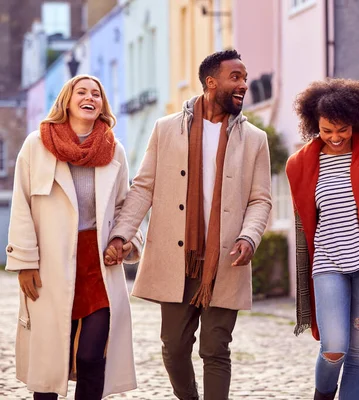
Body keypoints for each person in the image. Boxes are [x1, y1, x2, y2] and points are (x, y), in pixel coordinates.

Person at [103, 49, 272, 400]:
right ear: (212, 83)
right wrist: (122, 234)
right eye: (235, 77)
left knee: (216, 348)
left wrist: (249, 236)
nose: (243, 85)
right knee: (174, 347)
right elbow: (144, 186)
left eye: (244, 77)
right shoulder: (166, 129)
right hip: (178, 259)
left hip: (225, 259)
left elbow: (261, 200)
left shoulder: (255, 139)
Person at [5, 74, 142, 399]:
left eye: (96, 93)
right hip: (50, 266)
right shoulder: (36, 145)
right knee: (52, 358)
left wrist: (123, 241)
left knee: (92, 356)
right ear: (67, 100)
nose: (90, 97)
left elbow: (126, 206)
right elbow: (22, 204)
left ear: (102, 105)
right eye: (82, 91)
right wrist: (25, 261)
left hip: (98, 266)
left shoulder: (114, 149)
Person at [286, 78, 359, 400]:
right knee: (335, 347)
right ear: (315, 125)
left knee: (358, 354)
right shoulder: (301, 165)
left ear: (355, 122)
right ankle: (322, 395)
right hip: (328, 264)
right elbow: (305, 220)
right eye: (327, 130)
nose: (335, 137)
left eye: (342, 129)